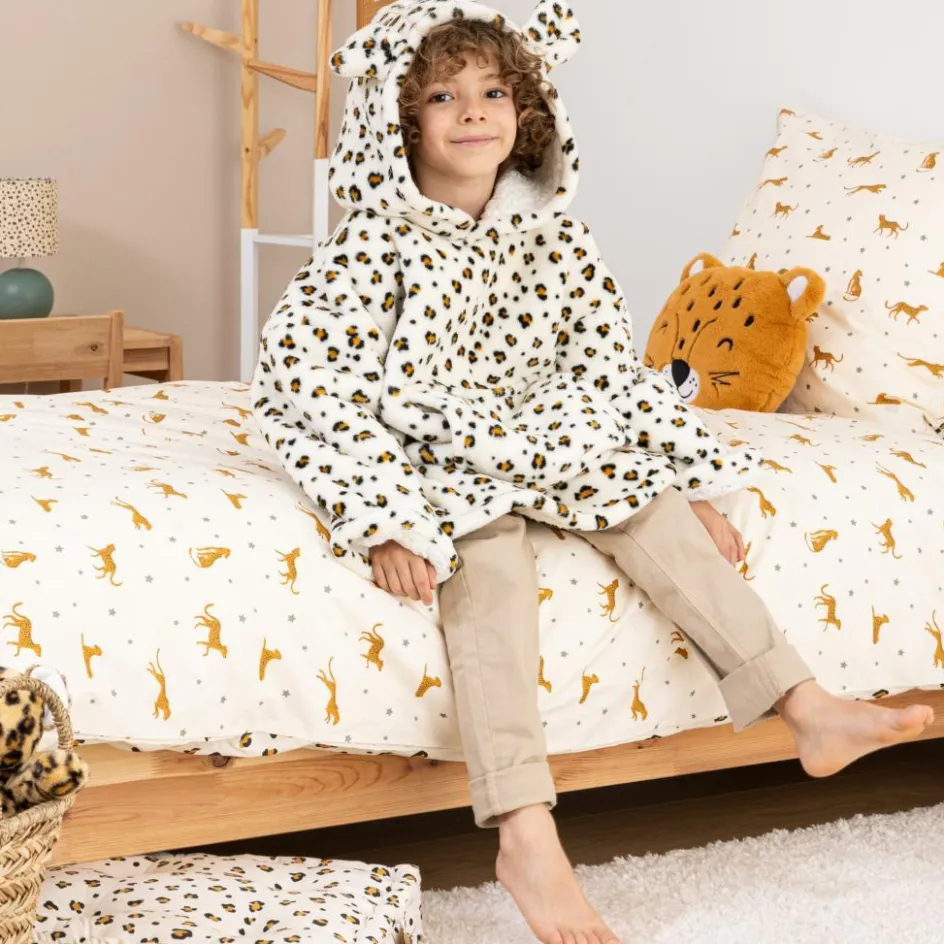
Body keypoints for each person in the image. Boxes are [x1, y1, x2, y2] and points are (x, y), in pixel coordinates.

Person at [251, 3, 935, 942]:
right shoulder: (373, 243)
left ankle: (805, 705)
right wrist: (385, 517)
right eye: (443, 97)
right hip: (434, 452)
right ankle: (526, 834)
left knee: (653, 515)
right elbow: (307, 384)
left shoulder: (558, 237)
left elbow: (610, 372)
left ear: (527, 111)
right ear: (400, 121)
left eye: (495, 92)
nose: (474, 111)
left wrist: (686, 481)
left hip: (552, 436)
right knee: (487, 567)